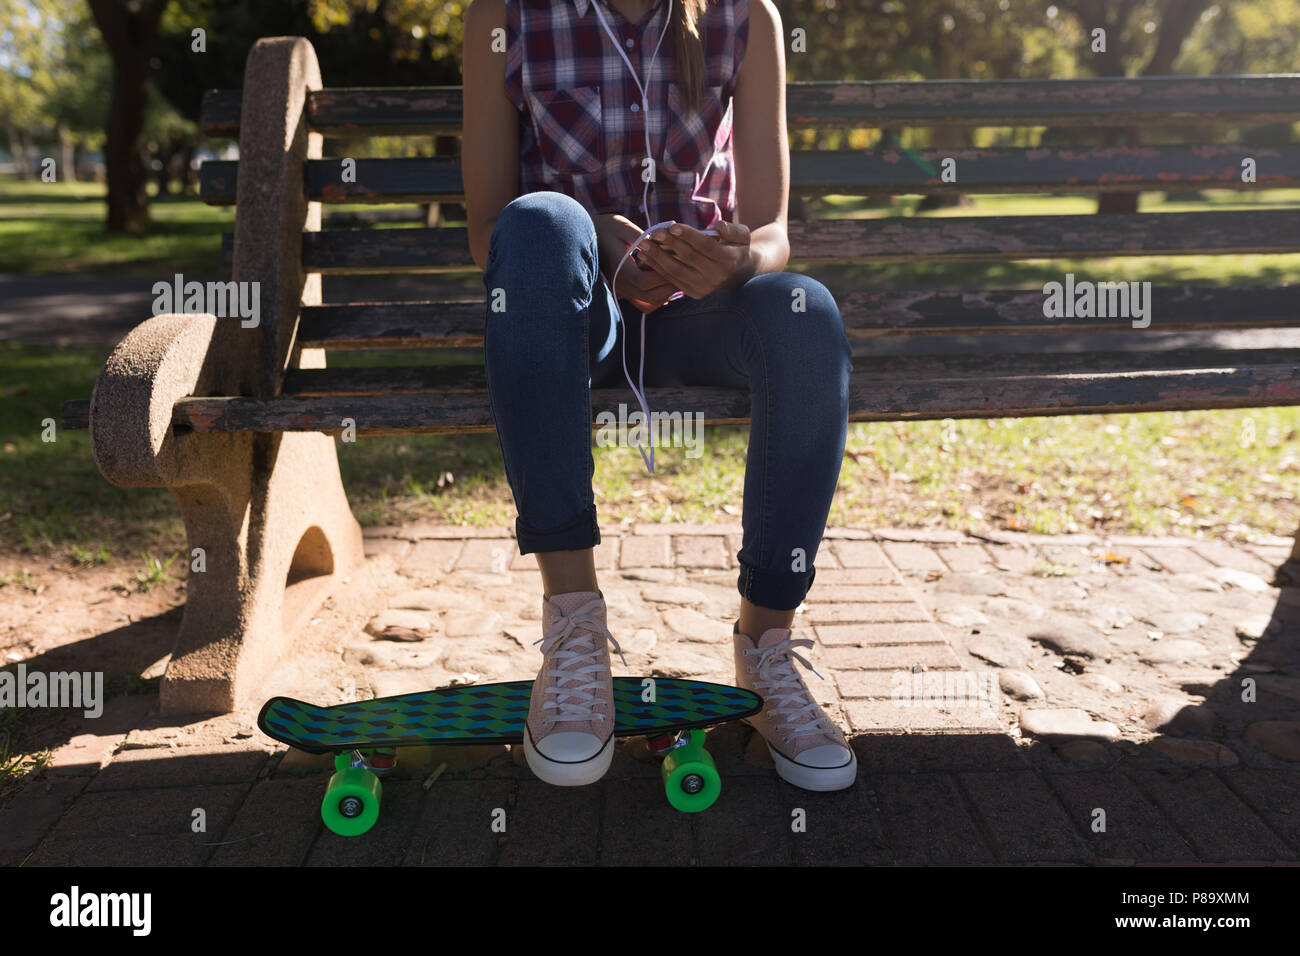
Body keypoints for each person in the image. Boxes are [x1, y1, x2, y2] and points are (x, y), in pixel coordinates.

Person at [461, 0, 856, 791]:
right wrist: (606, 239)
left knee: (805, 310)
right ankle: (574, 632)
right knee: (539, 221)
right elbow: (487, 234)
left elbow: (773, 228)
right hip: (576, 314)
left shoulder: (749, 20)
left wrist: (738, 263)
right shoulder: (502, 16)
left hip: (703, 313)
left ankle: (766, 652)